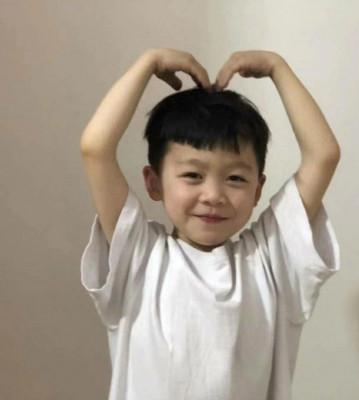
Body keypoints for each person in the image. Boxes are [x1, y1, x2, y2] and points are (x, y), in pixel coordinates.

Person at [79, 48, 341, 400]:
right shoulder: (139, 258)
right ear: (154, 182)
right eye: (193, 175)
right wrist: (148, 63)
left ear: (257, 189)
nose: (214, 195)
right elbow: (95, 148)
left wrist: (278, 67)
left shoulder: (269, 260)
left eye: (235, 178)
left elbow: (323, 155)